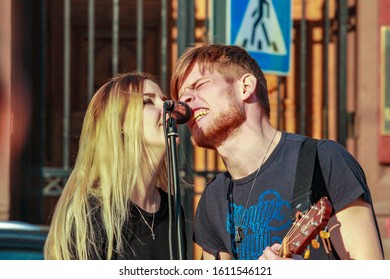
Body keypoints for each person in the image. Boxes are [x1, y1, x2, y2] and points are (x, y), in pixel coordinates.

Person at [170, 43, 384, 260]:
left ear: (245, 87)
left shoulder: (322, 160)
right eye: (182, 94)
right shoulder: (214, 197)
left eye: (199, 85)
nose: (184, 100)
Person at [44, 72, 186, 260]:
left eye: (165, 100)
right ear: (120, 124)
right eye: (148, 102)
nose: (169, 108)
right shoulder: (91, 213)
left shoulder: (173, 209)